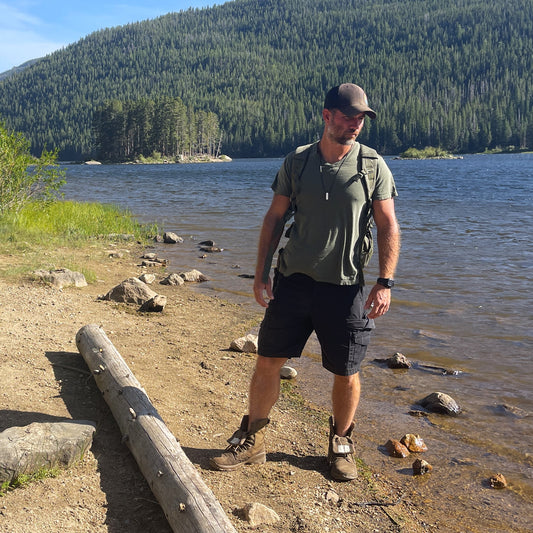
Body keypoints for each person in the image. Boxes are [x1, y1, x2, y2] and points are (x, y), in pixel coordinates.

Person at [211, 83, 400, 481]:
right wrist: (261, 274)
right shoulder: (297, 162)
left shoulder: (373, 166)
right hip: (293, 281)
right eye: (349, 116)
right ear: (326, 115)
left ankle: (341, 445)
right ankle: (253, 440)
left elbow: (387, 225)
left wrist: (385, 282)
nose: (355, 125)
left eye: (361, 118)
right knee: (268, 360)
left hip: (345, 286)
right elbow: (274, 219)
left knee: (347, 371)